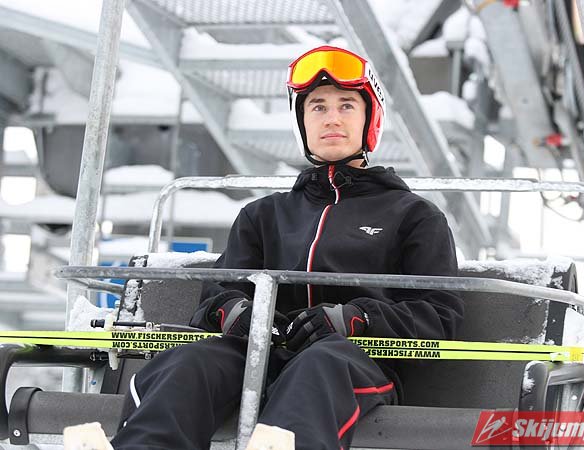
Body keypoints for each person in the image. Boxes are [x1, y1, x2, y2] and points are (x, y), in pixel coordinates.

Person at [110, 45, 464, 450]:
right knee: (188, 363)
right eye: (317, 107)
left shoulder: (412, 216)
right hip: (258, 354)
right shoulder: (264, 215)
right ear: (302, 122)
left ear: (369, 119)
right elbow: (217, 296)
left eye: (347, 105)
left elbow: (439, 315)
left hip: (352, 363)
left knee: (318, 366)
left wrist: (355, 318)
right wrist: (235, 313)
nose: (332, 118)